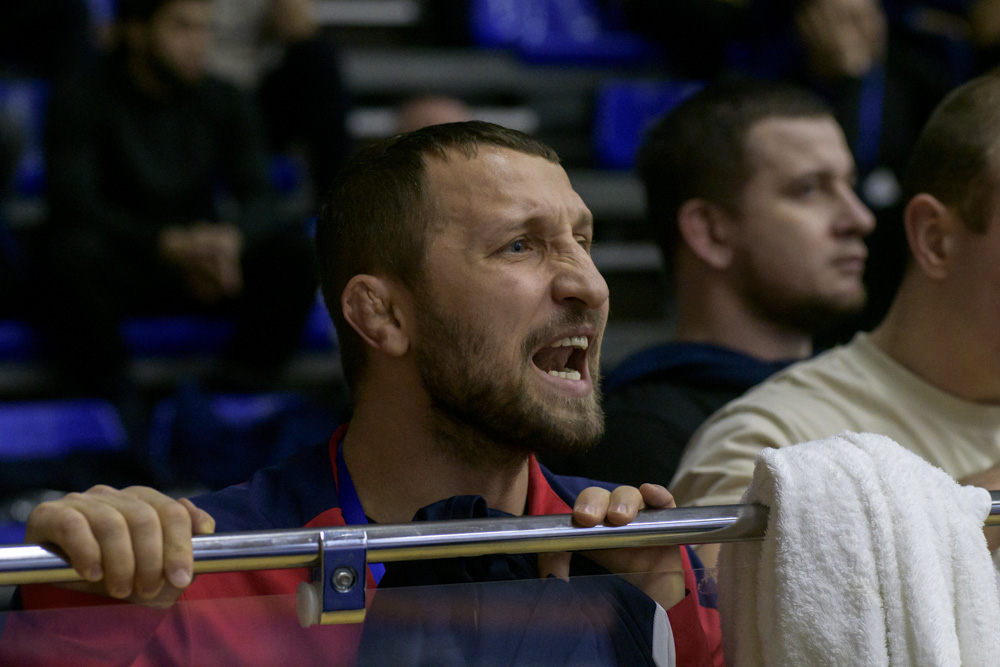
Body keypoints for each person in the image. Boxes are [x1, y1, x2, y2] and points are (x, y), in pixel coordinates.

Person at [2, 122, 723, 665]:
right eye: (520, 245)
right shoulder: (198, 577)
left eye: (583, 242)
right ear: (381, 315)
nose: (589, 285)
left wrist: (675, 624)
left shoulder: (638, 561)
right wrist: (74, 608)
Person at [670, 72, 1000, 569]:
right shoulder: (772, 438)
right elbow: (721, 610)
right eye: (808, 189)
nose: (860, 218)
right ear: (935, 240)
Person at [548, 78, 875, 488]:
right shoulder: (643, 433)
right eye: (809, 189)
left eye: (849, 185)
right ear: (710, 231)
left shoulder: (862, 392)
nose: (860, 218)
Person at [37, 0, 317, 403]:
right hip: (127, 259)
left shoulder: (224, 98)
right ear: (136, 32)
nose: (199, 43)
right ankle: (118, 400)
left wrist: (230, 240)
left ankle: (233, 390)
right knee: (66, 259)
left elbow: (261, 196)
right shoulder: (80, 95)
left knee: (294, 255)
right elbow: (74, 205)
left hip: (206, 266)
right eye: (182, 27)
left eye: (205, 29)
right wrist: (164, 243)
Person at [206, 0, 351, 202]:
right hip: (203, 83)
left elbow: (300, 28)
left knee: (317, 56)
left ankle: (336, 201)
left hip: (259, 92)